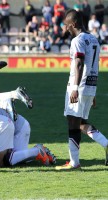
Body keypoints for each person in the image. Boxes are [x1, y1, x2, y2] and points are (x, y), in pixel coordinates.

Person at [56, 9, 108, 170]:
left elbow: (79, 64)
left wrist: (74, 88)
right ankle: (106, 144)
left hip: (79, 86)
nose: (65, 29)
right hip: (90, 86)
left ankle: (74, 162)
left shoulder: (77, 40)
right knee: (79, 122)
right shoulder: (94, 39)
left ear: (74, 24)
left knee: (73, 122)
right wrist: (92, 92)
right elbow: (94, 66)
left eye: (67, 26)